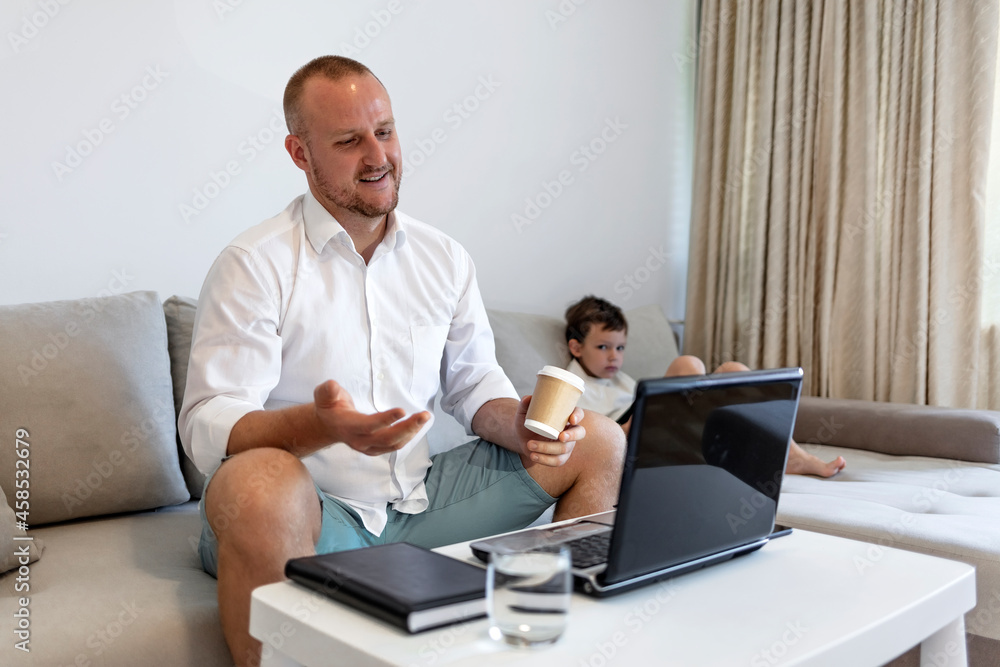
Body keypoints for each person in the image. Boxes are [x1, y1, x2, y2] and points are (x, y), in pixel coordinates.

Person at [178, 57, 625, 667]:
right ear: (300, 152)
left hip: (420, 505)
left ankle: (570, 651)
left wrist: (517, 423)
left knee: (599, 441)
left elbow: (475, 387)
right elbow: (210, 422)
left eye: (384, 131)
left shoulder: (444, 257)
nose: (376, 156)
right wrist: (317, 427)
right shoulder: (253, 263)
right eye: (348, 140)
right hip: (306, 512)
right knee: (260, 483)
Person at [563, 295, 846, 477]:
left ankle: (792, 456)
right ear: (576, 347)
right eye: (603, 347)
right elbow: (585, 438)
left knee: (733, 370)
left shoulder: (622, 380)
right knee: (688, 365)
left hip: (661, 430)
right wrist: (628, 429)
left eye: (620, 347)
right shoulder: (572, 383)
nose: (614, 356)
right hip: (623, 436)